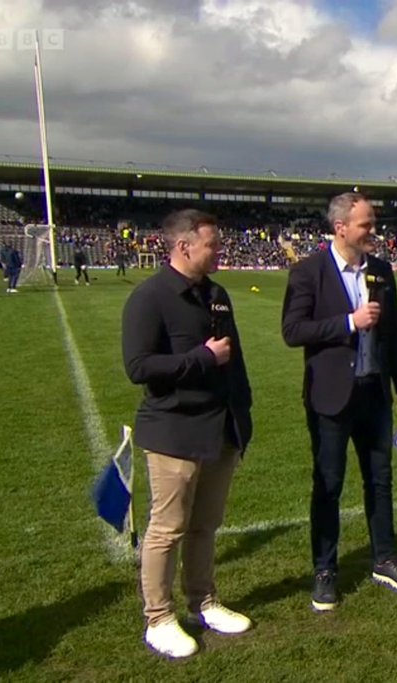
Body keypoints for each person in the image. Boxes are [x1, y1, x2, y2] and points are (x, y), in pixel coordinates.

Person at [121, 209, 254, 659]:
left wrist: (244, 415)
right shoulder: (150, 297)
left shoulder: (216, 295)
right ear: (184, 246)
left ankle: (204, 600)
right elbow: (138, 367)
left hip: (220, 429)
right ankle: (158, 617)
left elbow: (234, 361)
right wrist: (200, 358)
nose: (220, 250)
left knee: (206, 525)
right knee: (168, 527)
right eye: (213, 244)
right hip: (174, 430)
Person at [281, 192, 397, 611]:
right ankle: (325, 570)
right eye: (365, 224)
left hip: (374, 393)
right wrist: (348, 322)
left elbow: (393, 335)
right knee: (329, 485)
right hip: (330, 398)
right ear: (340, 227)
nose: (372, 231)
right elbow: (293, 331)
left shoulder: (380, 272)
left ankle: (384, 557)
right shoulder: (308, 272)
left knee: (380, 480)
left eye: (373, 222)